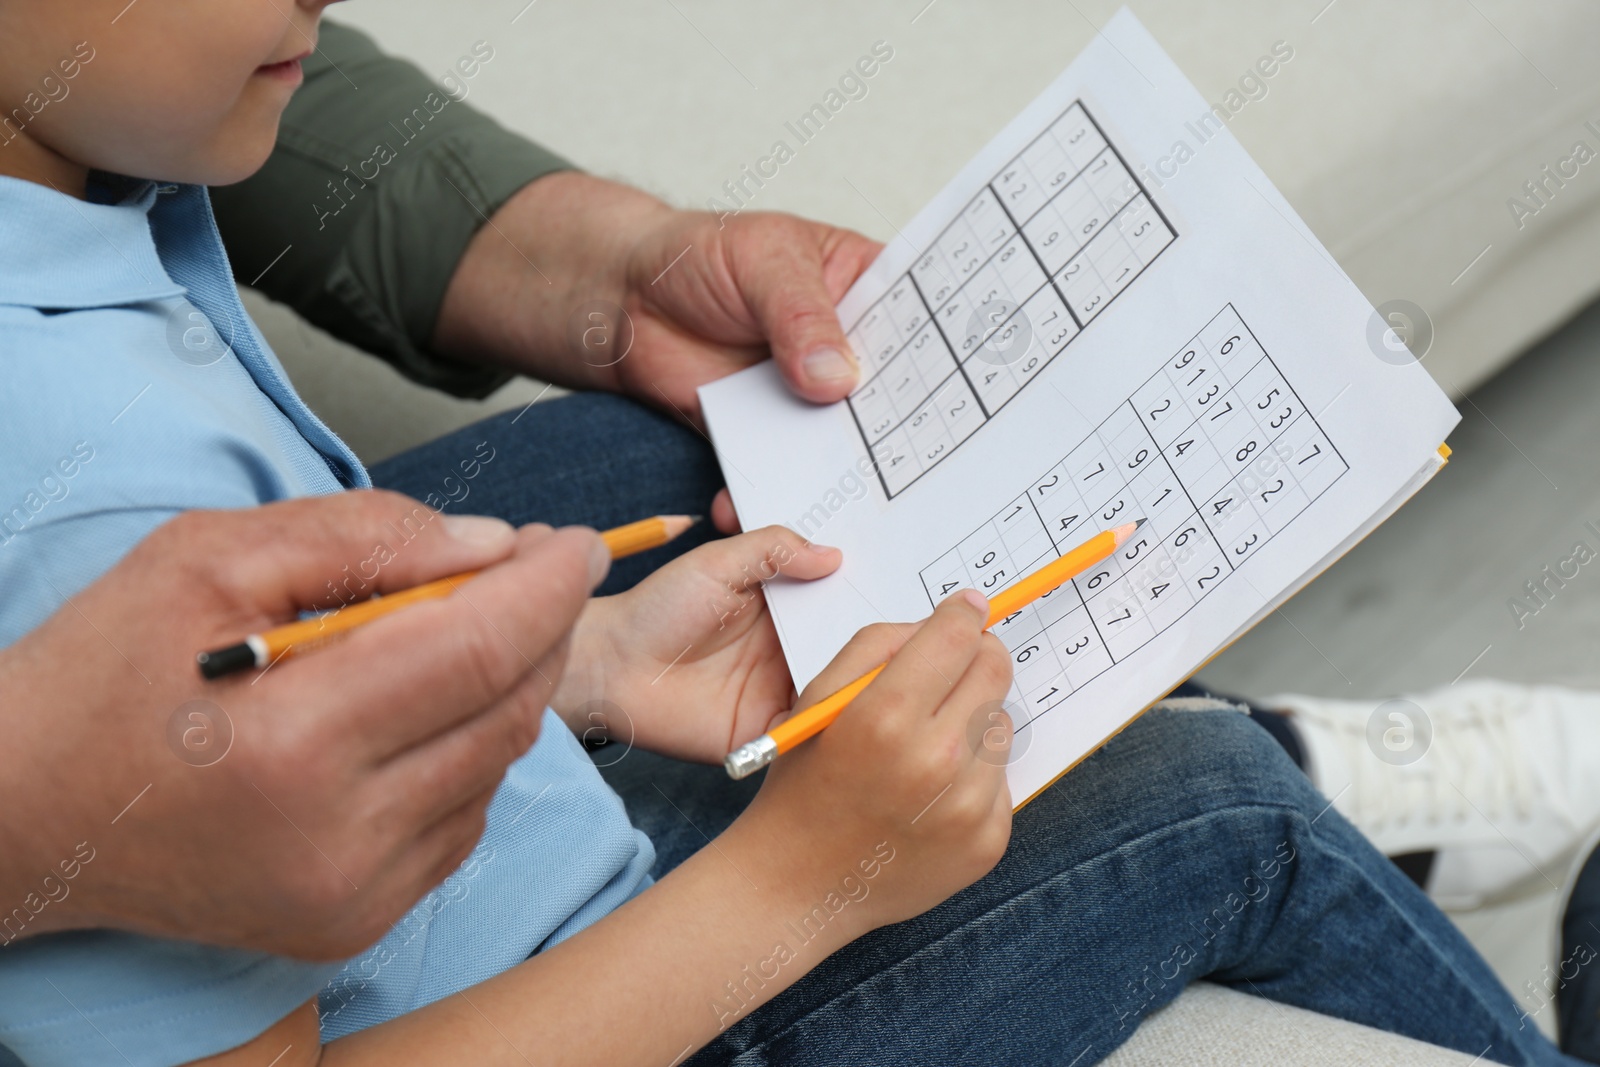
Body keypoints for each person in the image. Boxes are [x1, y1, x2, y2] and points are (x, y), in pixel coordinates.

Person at [2, 3, 1599, 1066]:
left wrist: (583, 668)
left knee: (682, 444)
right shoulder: (94, 505)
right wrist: (807, 887)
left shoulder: (77, 169)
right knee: (1215, 814)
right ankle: (1271, 770)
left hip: (483, 884)